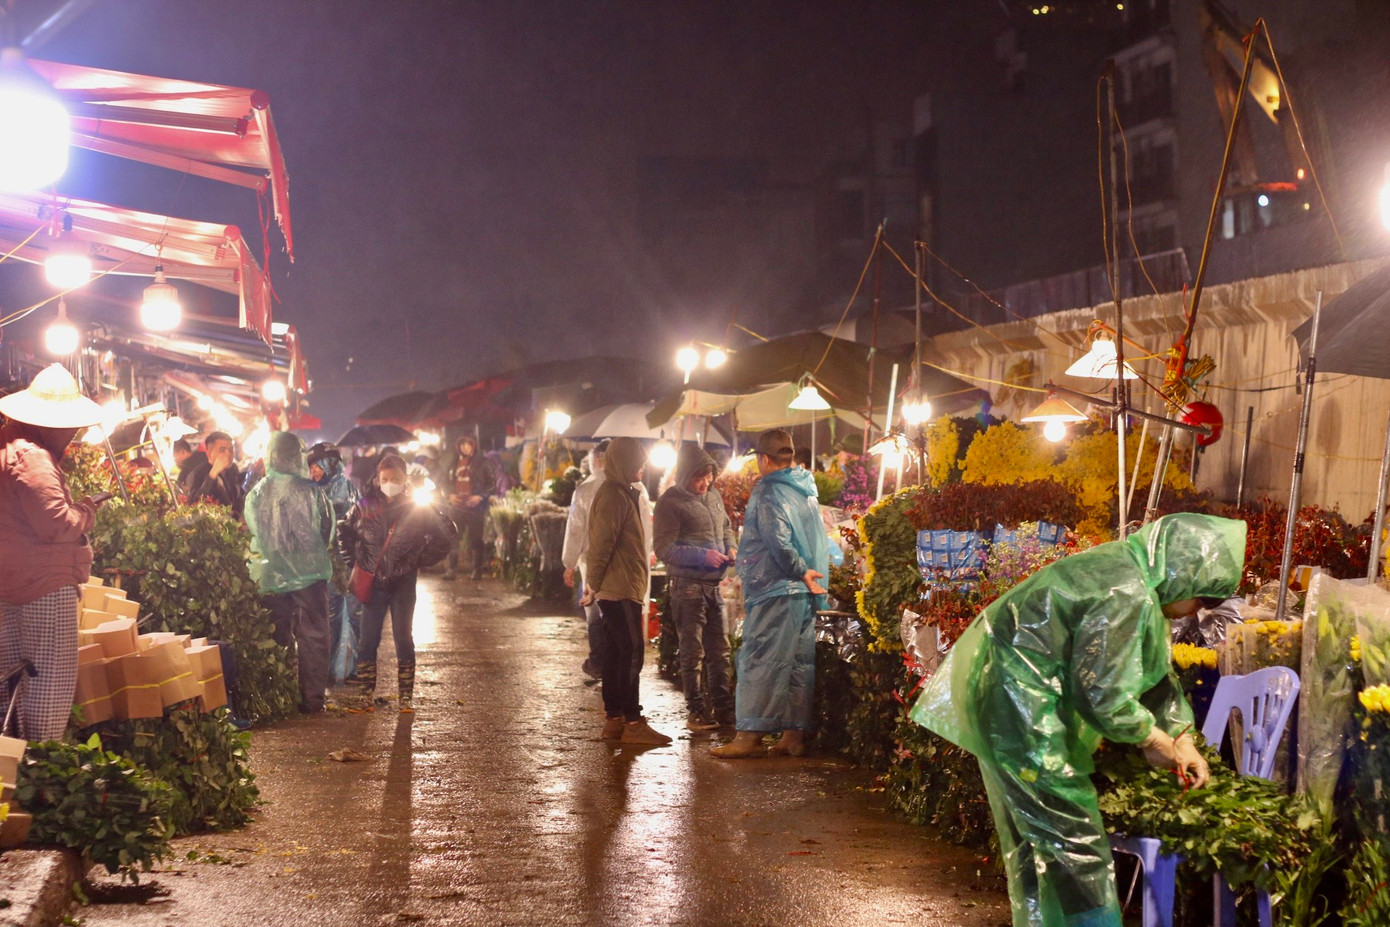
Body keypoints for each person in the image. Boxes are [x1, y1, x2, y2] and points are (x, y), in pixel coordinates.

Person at [911, 513, 1244, 927]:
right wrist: (1148, 736)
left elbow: (1154, 677)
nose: (1196, 612)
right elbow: (1102, 692)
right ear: (1184, 571)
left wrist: (1182, 736)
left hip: (1016, 696)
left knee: (1043, 840)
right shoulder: (1125, 591)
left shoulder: (1136, 579)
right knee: (1072, 837)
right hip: (1019, 703)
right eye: (1201, 598)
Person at [0, 364, 106, 740]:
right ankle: (39, 765)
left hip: (9, 585)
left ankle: (12, 775)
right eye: (69, 427)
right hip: (43, 588)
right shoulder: (32, 457)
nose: (73, 434)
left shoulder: (6, 446)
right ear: (49, 424)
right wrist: (87, 510)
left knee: (10, 685)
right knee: (47, 683)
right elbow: (57, 523)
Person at [712, 429, 828, 759]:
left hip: (776, 588)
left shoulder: (768, 491)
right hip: (803, 592)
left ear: (764, 459)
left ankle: (748, 735)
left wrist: (796, 568)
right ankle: (793, 736)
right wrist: (806, 574)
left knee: (760, 658)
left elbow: (778, 540)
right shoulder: (804, 489)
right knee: (797, 664)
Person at [339, 454, 457, 711]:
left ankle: (405, 697)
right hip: (375, 583)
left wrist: (420, 559)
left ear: (405, 480)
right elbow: (344, 533)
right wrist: (357, 562)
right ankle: (364, 695)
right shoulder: (364, 506)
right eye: (385, 479)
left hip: (403, 583)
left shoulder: (418, 508)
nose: (389, 483)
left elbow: (447, 534)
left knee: (404, 638)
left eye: (395, 479)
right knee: (368, 640)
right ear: (378, 479)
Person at [581, 437, 670, 746]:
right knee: (632, 651)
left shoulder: (621, 493)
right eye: (637, 461)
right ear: (623, 463)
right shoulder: (614, 496)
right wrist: (593, 584)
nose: (643, 467)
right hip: (618, 589)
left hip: (622, 586)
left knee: (618, 653)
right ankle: (632, 721)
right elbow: (601, 545)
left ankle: (615, 719)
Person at [244, 432, 336, 714]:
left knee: (276, 636)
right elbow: (327, 531)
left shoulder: (257, 493)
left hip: (272, 575)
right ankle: (312, 700)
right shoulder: (313, 492)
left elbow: (253, 530)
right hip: (310, 575)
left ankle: (278, 697)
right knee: (314, 637)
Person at [652, 444, 737, 731]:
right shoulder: (670, 503)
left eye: (708, 477)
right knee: (693, 651)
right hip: (687, 588)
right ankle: (696, 711)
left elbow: (725, 528)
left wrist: (731, 547)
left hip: (713, 586)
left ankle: (723, 708)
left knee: (720, 650)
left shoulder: (713, 496)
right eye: (699, 478)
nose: (705, 484)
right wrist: (702, 556)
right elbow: (664, 549)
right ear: (685, 475)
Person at [308, 442, 364, 683]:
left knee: (350, 614)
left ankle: (348, 668)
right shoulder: (311, 490)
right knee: (329, 614)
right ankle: (332, 668)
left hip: (346, 562)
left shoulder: (344, 490)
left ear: (331, 464)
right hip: (323, 564)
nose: (314, 471)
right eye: (310, 466)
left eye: (318, 465)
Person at [443, 435, 497, 580]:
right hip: (456, 506)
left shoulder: (483, 462)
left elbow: (492, 484)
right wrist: (450, 495)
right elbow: (445, 482)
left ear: (473, 446)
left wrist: (480, 497)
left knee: (476, 539)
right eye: (462, 445)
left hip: (475, 507)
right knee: (453, 537)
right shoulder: (454, 463)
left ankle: (477, 570)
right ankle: (451, 570)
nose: (465, 447)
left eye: (468, 444)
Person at [182, 431, 244, 516]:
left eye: (231, 450)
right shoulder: (197, 473)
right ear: (209, 453)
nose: (228, 454)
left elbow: (238, 496)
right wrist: (213, 474)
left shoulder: (232, 469)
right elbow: (194, 505)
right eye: (222, 450)